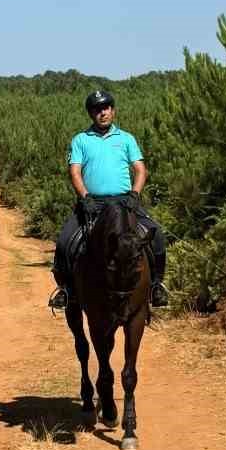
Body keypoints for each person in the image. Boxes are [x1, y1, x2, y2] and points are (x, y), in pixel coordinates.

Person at [47, 88, 169, 311]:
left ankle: (155, 286)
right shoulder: (81, 140)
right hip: (93, 204)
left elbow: (140, 170)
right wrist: (85, 197)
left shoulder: (126, 139)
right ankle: (66, 290)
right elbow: (75, 172)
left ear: (112, 110)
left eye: (106, 108)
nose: (102, 113)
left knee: (156, 235)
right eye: (97, 109)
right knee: (65, 240)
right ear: (90, 114)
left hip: (125, 202)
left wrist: (135, 194)